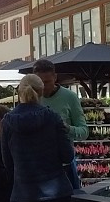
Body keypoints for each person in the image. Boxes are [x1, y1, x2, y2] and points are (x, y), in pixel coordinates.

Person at [33, 58, 87, 189]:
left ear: (55, 77)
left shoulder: (70, 97)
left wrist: (67, 128)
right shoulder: (32, 98)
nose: (44, 87)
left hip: (64, 162)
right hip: (38, 162)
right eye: (40, 83)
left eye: (47, 82)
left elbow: (84, 132)